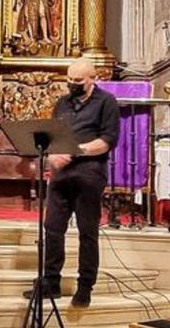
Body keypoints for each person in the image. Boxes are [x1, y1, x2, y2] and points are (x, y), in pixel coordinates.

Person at [41, 58, 120, 308]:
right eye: (69, 80)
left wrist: (76, 151)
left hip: (89, 173)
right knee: (52, 228)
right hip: (61, 175)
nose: (72, 84)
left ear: (92, 79)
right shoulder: (62, 104)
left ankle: (85, 286)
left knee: (88, 232)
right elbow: (53, 137)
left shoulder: (106, 102)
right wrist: (52, 154)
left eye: (78, 81)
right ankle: (51, 281)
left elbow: (107, 140)